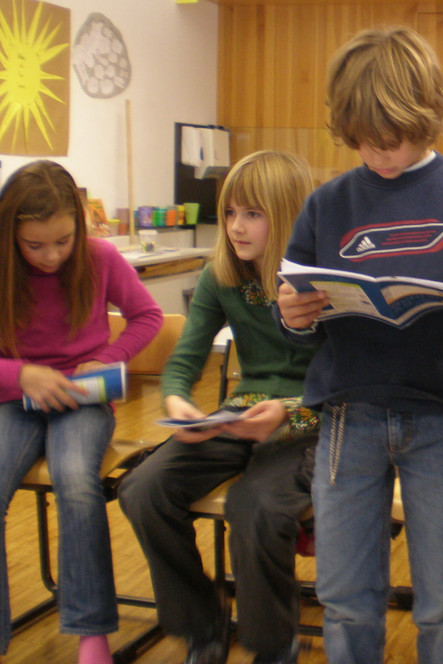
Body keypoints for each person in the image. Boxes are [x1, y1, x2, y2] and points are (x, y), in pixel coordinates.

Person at [276, 25, 443, 664]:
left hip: (442, 418)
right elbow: (295, 305)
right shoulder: (326, 203)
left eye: (391, 138)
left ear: (427, 115)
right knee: (345, 599)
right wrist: (294, 314)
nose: (378, 153)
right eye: (362, 140)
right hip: (349, 419)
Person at [119, 150, 319, 664]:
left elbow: (349, 384)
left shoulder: (323, 283)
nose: (235, 227)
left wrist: (288, 410)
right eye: (229, 212)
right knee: (143, 489)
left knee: (254, 507)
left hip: (312, 420)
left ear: (287, 215)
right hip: (242, 416)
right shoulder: (221, 276)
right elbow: (184, 362)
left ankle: (273, 643)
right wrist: (177, 402)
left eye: (252, 213)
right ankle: (202, 623)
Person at [0, 161, 162, 664]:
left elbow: (147, 316)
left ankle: (91, 633)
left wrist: (108, 358)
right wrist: (20, 374)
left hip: (82, 400)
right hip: (14, 400)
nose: (51, 256)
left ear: (78, 224)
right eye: (34, 245)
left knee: (75, 481)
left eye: (63, 241)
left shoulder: (99, 257)